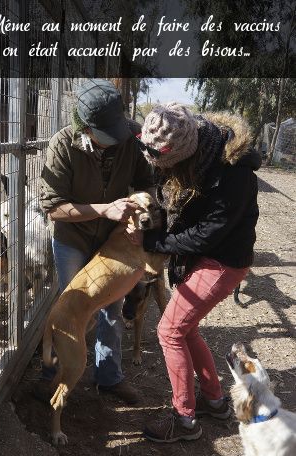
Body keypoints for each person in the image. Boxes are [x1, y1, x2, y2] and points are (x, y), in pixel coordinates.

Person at [125, 103, 261, 442]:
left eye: (166, 164)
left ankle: (183, 419)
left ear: (185, 153)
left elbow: (208, 232)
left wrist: (157, 241)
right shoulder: (193, 151)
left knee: (169, 332)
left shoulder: (232, 172)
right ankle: (214, 401)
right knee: (185, 329)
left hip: (222, 260)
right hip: (202, 256)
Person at [38, 79, 154, 405]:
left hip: (111, 240)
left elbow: (147, 184)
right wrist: (104, 209)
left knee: (113, 308)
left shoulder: (129, 140)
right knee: (73, 307)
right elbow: (53, 208)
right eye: (105, 135)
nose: (112, 142)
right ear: (85, 126)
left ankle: (108, 376)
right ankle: (52, 376)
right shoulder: (63, 145)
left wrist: (139, 223)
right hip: (72, 238)